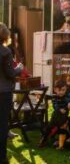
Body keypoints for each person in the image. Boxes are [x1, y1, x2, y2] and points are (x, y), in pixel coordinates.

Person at [0, 23, 23, 164]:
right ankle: (2, 158)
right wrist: (19, 68)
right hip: (3, 93)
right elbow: (10, 73)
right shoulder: (5, 52)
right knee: (2, 125)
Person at [39, 79, 70, 147]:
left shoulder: (67, 97)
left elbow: (69, 100)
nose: (61, 92)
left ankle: (62, 141)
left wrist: (69, 103)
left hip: (64, 118)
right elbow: (55, 105)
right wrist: (59, 109)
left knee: (64, 129)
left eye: (63, 90)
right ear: (55, 90)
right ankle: (43, 140)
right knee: (49, 128)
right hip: (55, 118)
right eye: (59, 90)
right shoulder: (55, 97)